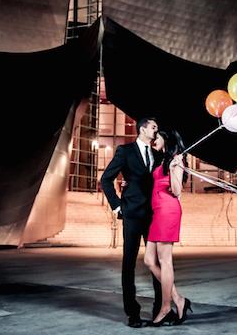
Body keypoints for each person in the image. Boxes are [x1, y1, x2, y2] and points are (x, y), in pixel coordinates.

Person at [100, 117, 164, 328]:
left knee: (157, 263)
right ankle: (132, 313)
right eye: (154, 127)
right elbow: (106, 179)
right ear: (143, 128)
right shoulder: (125, 151)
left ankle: (160, 309)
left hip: (153, 214)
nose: (156, 130)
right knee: (129, 263)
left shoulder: (157, 154)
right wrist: (117, 206)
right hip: (132, 214)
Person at [144, 130, 193, 326]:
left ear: (167, 140)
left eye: (158, 137)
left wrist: (174, 169)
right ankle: (179, 299)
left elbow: (177, 190)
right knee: (149, 260)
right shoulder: (163, 159)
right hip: (158, 212)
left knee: (165, 261)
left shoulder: (176, 159)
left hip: (168, 210)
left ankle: (166, 307)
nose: (155, 139)